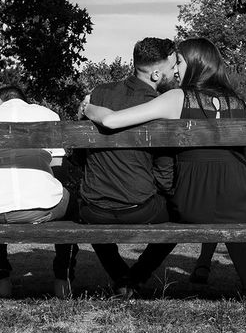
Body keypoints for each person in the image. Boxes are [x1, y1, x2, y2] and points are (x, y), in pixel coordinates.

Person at [83, 37, 246, 299]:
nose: (176, 69)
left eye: (179, 62)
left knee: (188, 203)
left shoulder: (177, 98)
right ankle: (241, 281)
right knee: (213, 202)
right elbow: (242, 158)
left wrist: (87, 106)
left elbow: (110, 120)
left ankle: (128, 278)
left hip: (191, 204)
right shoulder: (243, 105)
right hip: (242, 201)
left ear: (195, 65)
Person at [77, 37, 179, 299]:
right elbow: (164, 171)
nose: (175, 72)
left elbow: (80, 153)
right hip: (139, 206)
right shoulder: (159, 105)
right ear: (156, 73)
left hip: (93, 206)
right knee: (180, 218)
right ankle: (133, 277)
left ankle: (122, 277)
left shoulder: (99, 94)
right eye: (172, 67)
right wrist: (163, 192)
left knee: (94, 214)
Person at [0, 86, 78, 299]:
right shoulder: (47, 115)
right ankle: (63, 280)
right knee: (72, 205)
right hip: (40, 209)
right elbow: (58, 167)